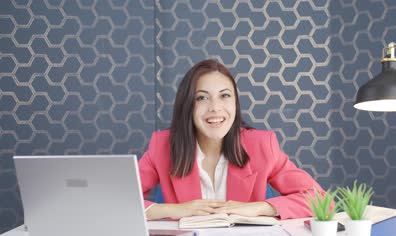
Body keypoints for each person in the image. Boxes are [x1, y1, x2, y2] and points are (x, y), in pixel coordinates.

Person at [139, 59, 327, 220]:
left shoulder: (261, 145)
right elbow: (116, 202)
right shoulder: (162, 145)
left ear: (235, 103)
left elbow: (320, 199)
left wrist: (259, 208)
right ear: (187, 105)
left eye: (225, 96)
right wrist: (178, 210)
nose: (215, 107)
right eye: (202, 98)